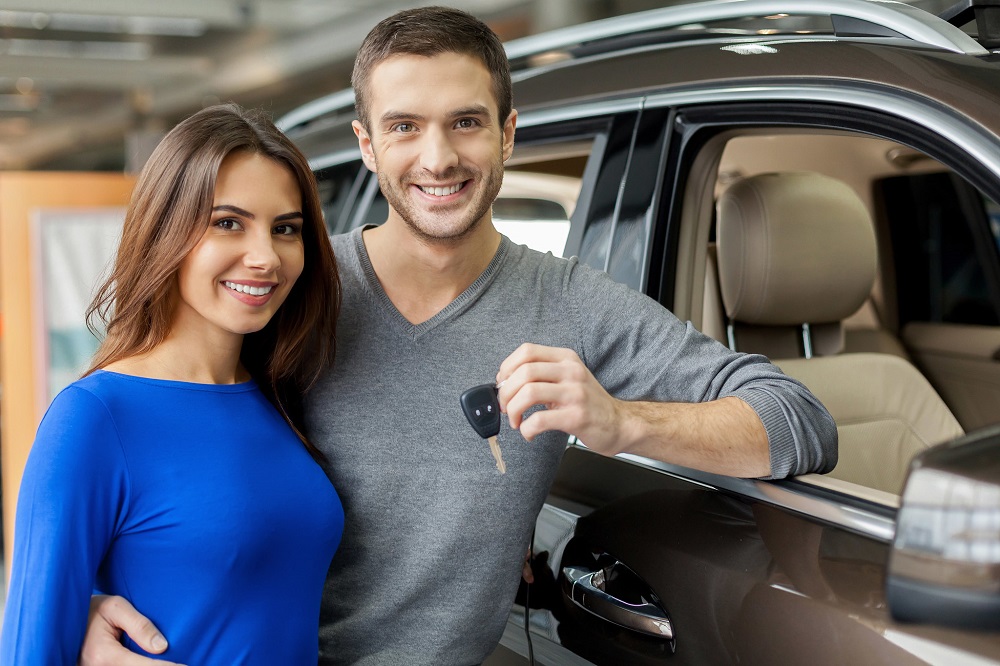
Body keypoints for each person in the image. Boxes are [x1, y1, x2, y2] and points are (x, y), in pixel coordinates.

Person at [80, 7, 838, 666]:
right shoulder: (296, 282)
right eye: (404, 126)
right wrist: (82, 600)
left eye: (466, 122)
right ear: (368, 144)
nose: (437, 157)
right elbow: (134, 431)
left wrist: (622, 420)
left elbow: (797, 421)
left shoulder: (568, 302)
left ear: (507, 134)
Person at [0, 103, 344, 665]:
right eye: (227, 222)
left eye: (286, 229)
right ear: (166, 232)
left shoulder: (281, 397)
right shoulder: (94, 417)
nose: (265, 257)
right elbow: (29, 651)